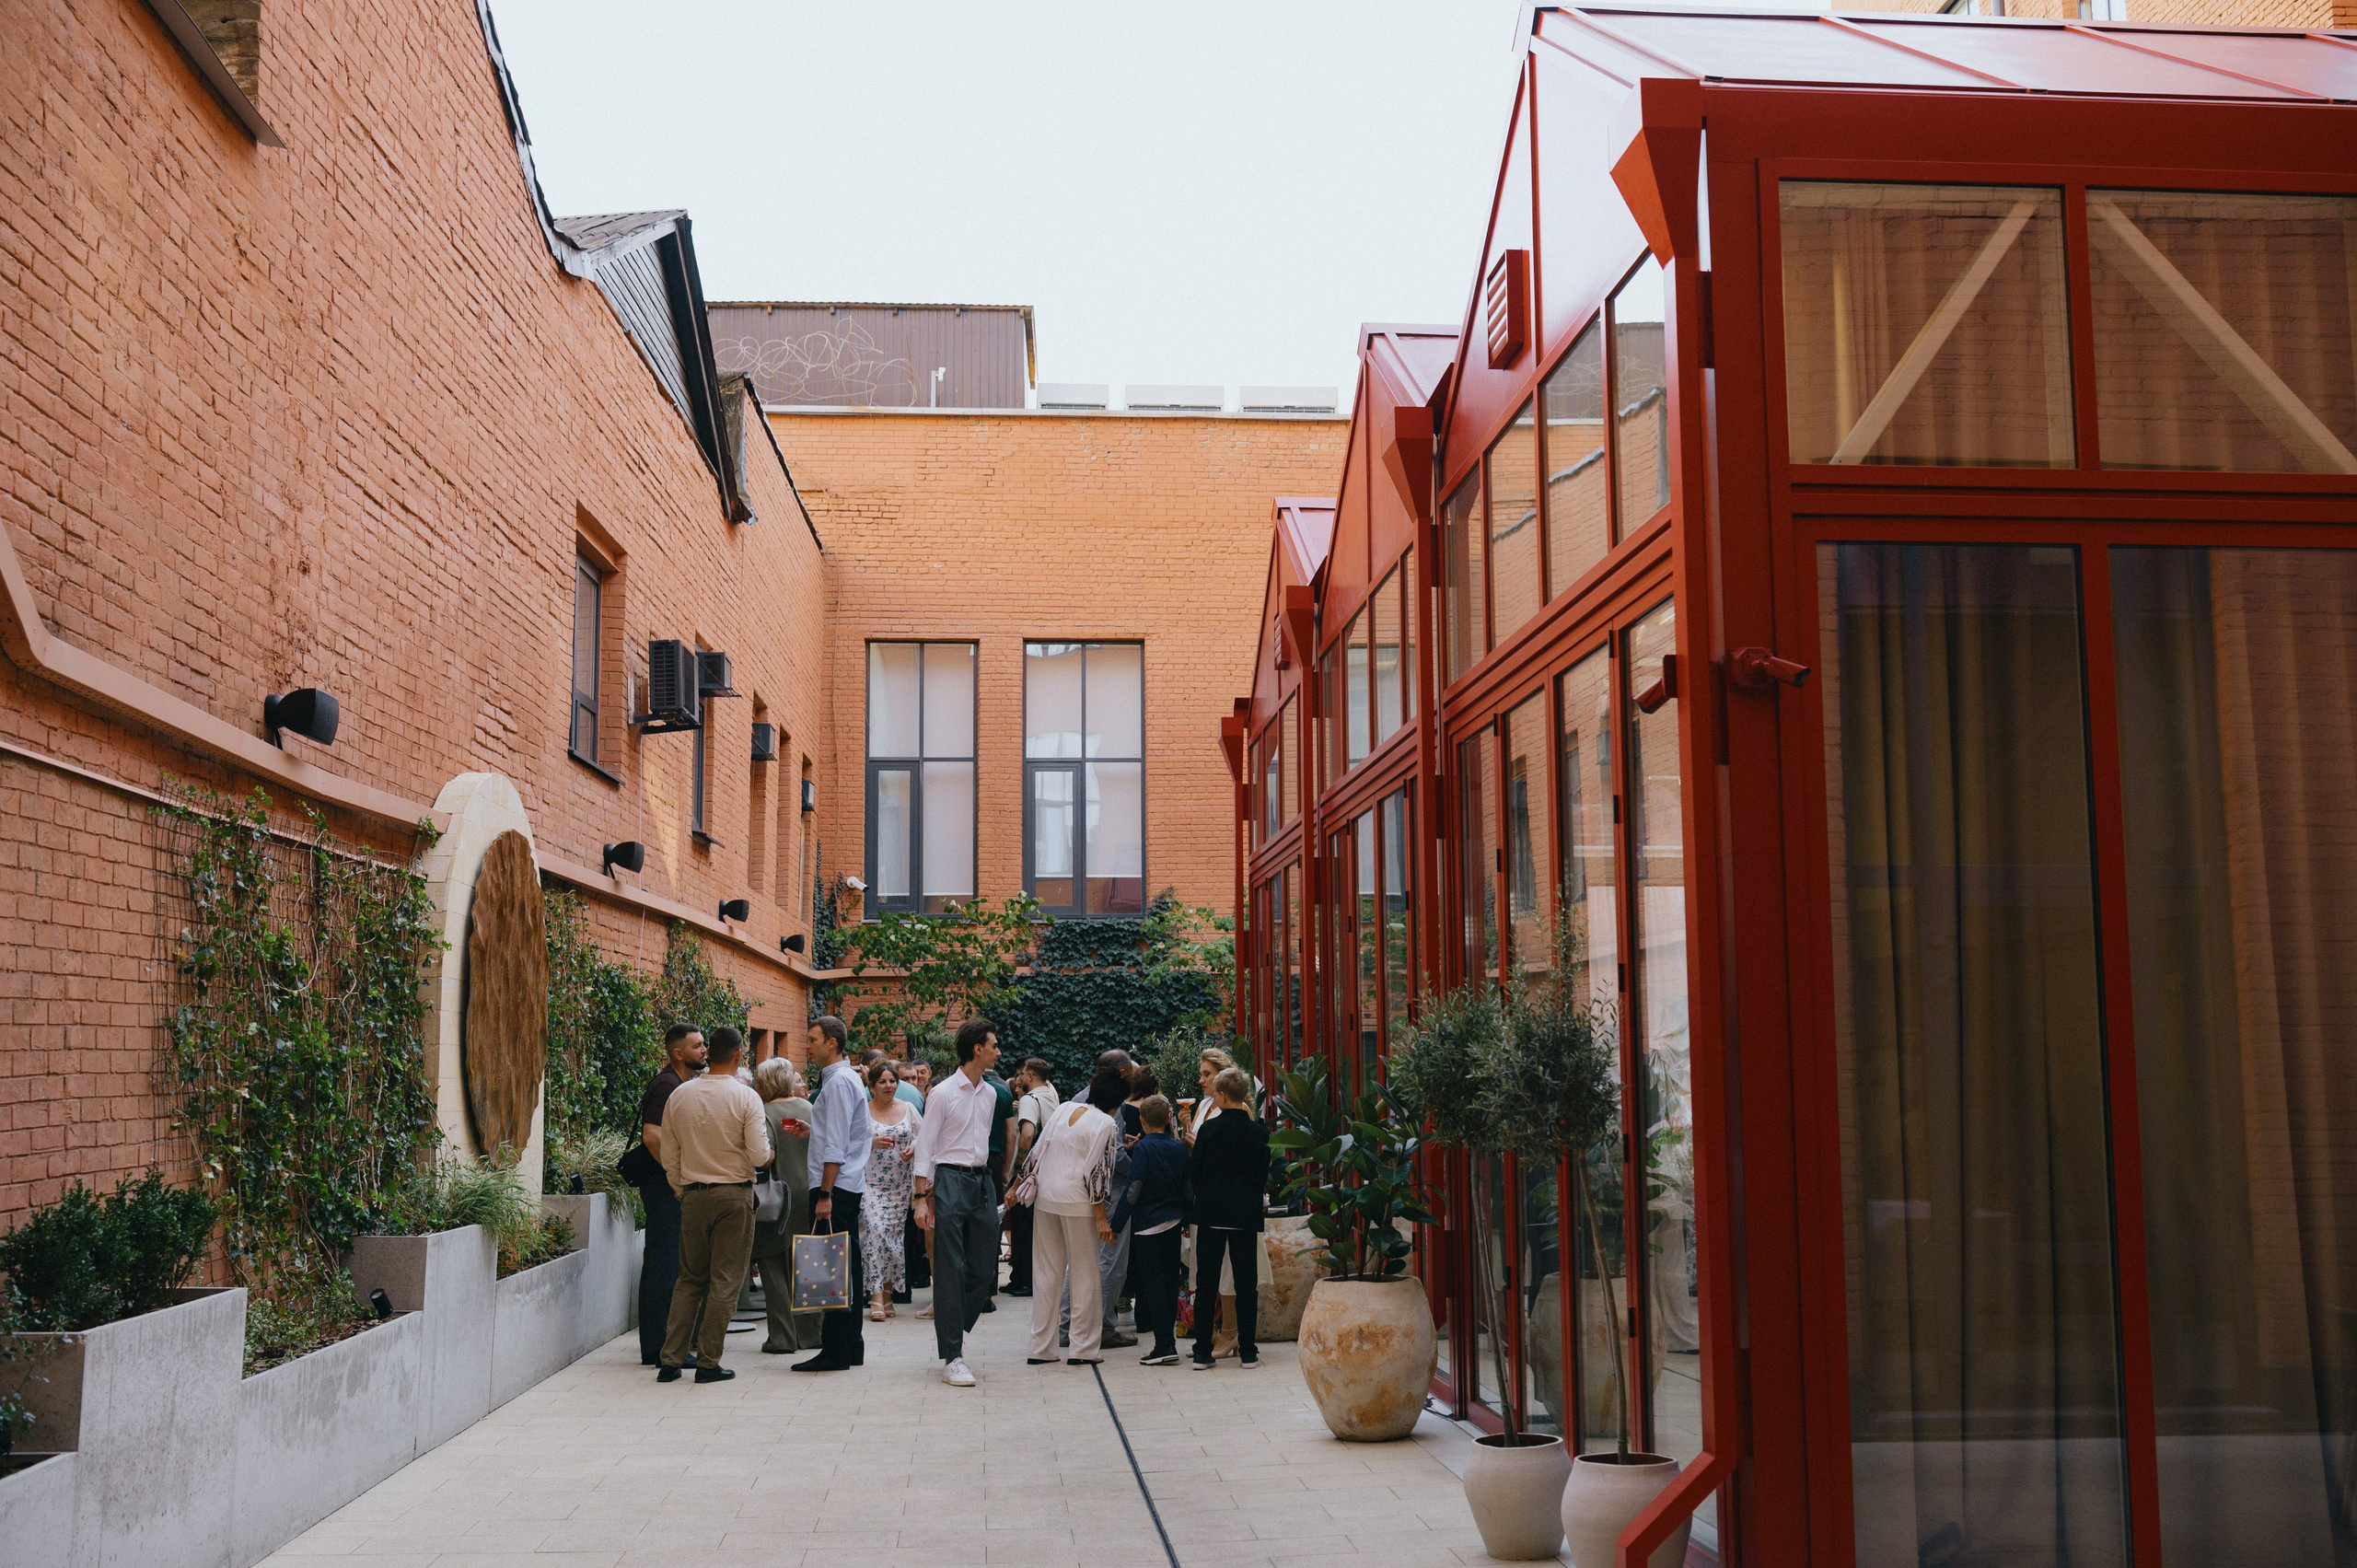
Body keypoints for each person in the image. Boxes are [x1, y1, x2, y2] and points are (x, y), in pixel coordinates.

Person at [655, 1028, 770, 1384]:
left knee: (689, 1278)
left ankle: (671, 1359)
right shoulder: (746, 1098)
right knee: (725, 1279)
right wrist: (769, 1155)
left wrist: (680, 1188)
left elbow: (669, 1151)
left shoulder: (680, 1095)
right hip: (733, 1194)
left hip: (692, 1193)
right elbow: (759, 1155)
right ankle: (707, 1362)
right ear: (738, 1055)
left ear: (710, 1053)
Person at [910, 1019, 1007, 1387]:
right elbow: (925, 1146)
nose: (999, 1051)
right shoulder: (943, 1093)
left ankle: (951, 1325)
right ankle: (953, 1354)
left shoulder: (991, 1094)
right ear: (977, 1049)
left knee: (984, 1270)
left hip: (982, 1181)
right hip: (949, 1178)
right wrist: (921, 1198)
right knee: (949, 1269)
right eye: (994, 1045)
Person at [1028, 1064, 1123, 1367]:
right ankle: (1083, 1348)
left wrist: (1019, 1184)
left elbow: (1037, 1151)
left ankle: (1040, 1348)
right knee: (1085, 1275)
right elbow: (1098, 1175)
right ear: (1117, 1102)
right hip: (1078, 1203)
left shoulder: (1064, 1108)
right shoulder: (1107, 1124)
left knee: (1046, 1274)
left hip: (1047, 1196)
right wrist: (1101, 1219)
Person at [796, 1015, 868, 1373]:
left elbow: (838, 1145)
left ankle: (836, 1350)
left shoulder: (839, 1082)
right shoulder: (842, 1080)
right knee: (844, 1266)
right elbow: (842, 1134)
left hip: (835, 1188)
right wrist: (814, 1129)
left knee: (832, 1268)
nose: (807, 1045)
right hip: (842, 1186)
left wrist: (825, 1193)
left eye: (812, 1039)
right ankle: (849, 1347)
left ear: (832, 1043)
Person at [633, 1024, 706, 1365]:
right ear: (678, 1053)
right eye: (697, 1045)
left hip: (665, 1186)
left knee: (661, 1265)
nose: (704, 1050)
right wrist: (677, 1175)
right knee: (665, 1267)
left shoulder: (676, 1084)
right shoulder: (666, 1085)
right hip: (664, 1189)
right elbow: (652, 1135)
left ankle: (656, 1347)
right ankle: (664, 1349)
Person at [1190, 1066, 1271, 1372]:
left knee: (1206, 1284)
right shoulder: (1259, 1132)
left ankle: (1201, 1353)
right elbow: (1262, 1175)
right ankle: (1248, 1351)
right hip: (1245, 1216)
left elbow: (1195, 1174)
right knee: (1246, 1284)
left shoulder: (1209, 1131)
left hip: (1211, 1214)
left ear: (1222, 1095)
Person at [748, 1058, 821, 1354]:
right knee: (809, 1266)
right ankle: (810, 1334)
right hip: (810, 1196)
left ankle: (782, 1337)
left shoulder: (764, 1114)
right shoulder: (810, 1109)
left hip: (776, 1201)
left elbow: (762, 1156)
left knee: (772, 1264)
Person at [1113, 1094, 1191, 1366]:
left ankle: (1163, 1345)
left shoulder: (1144, 1149)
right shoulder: (1179, 1147)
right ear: (1168, 1119)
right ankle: (1168, 1341)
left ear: (1142, 1121)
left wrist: (1116, 1224)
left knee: (1154, 1284)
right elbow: (1187, 1186)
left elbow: (1133, 1189)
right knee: (1170, 1282)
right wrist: (1188, 1219)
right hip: (1174, 1221)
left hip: (1147, 1225)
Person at [861, 1062, 921, 1321]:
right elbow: (850, 1142)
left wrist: (915, 1147)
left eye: (892, 1081)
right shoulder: (863, 1111)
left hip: (901, 1185)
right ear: (872, 1085)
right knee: (875, 1231)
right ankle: (874, 1294)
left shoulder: (908, 1109)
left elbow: (926, 1134)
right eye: (883, 1082)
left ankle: (887, 1294)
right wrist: (871, 1142)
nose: (889, 1086)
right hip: (871, 1183)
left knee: (894, 1239)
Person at [1096, 1050, 1142, 1350]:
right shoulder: (1113, 1108)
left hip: (1093, 1197)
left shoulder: (1079, 1099)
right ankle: (1101, 1328)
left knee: (1088, 1264)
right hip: (1111, 1196)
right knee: (1112, 1265)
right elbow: (1112, 1158)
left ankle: (1072, 1326)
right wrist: (1139, 1165)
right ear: (1122, 1073)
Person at [1004, 1059, 1059, 1297]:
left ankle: (1024, 1280)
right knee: (1035, 1228)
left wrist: (1017, 1173)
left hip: (1030, 1173)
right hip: (1049, 1169)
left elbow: (1027, 1135)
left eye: (1023, 1075)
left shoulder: (1029, 1099)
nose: (1020, 1080)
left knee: (1023, 1226)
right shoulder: (1051, 1095)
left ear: (1031, 1076)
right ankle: (1025, 1277)